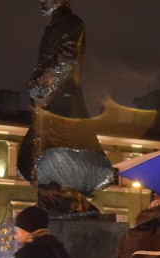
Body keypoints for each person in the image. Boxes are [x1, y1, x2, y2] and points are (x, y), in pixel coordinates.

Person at [16, 0, 113, 212]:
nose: (41, 1)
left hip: (62, 103)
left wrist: (42, 81)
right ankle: (55, 200)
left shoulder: (71, 22)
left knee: (59, 151)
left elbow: (67, 58)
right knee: (35, 156)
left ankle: (69, 200)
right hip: (49, 103)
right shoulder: (56, 24)